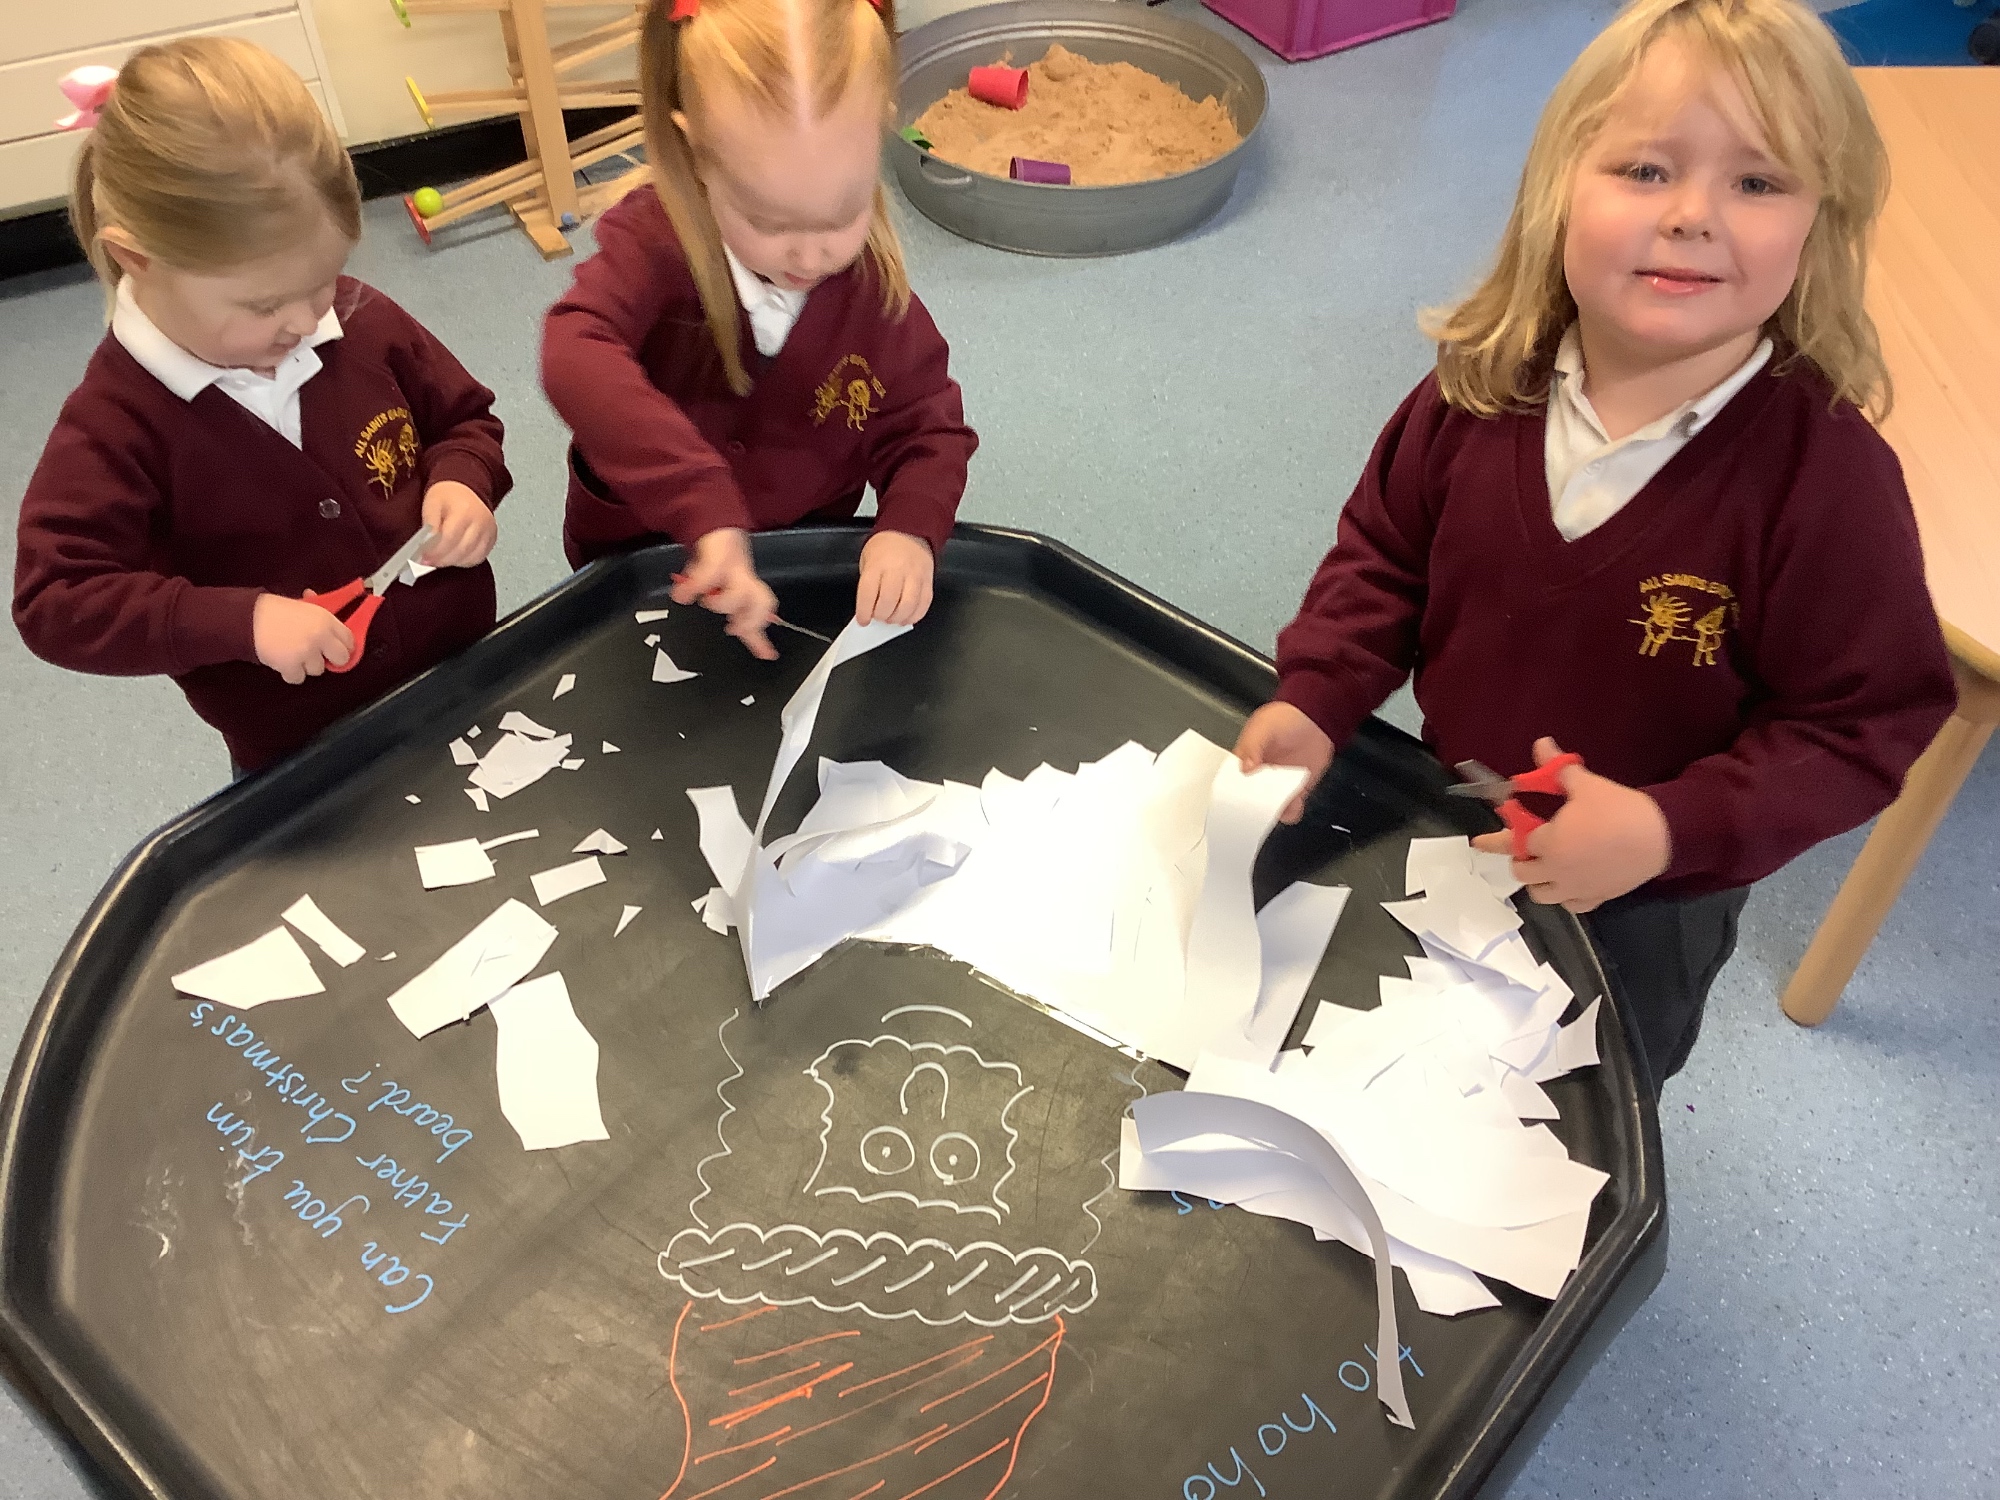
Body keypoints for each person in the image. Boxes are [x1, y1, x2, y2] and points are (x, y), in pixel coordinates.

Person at [1235, 0, 1957, 1090]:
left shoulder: (1827, 481)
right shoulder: (1476, 388)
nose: (1692, 216)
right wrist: (1316, 696)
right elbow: (1382, 558)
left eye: (1757, 182)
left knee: (1587, 1097)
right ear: (1557, 190)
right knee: (1415, 1061)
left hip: (1653, 893)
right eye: (1645, 170)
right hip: (1456, 809)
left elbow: (1864, 724)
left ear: (1818, 224)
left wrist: (1668, 829)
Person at [13, 38, 510, 774]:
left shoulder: (360, 320)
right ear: (136, 259)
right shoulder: (115, 425)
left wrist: (464, 480)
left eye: (323, 280)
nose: (308, 319)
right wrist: (242, 623)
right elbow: (57, 600)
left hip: (465, 675)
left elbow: (465, 419)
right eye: (265, 304)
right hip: (300, 753)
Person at [541, 0, 976, 660]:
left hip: (796, 570)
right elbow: (574, 349)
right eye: (769, 222)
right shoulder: (654, 244)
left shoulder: (872, 290)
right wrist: (700, 502)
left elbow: (927, 429)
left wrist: (909, 528)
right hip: (647, 566)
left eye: (844, 213)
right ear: (694, 150)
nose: (810, 256)